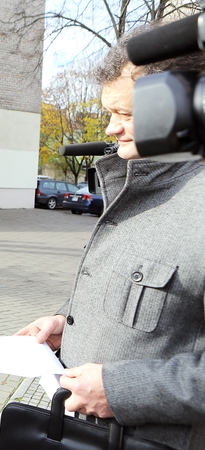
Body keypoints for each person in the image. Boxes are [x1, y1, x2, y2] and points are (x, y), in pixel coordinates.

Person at [15, 23, 205, 450]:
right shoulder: (132, 186)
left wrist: (119, 390)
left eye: (127, 114)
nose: (112, 129)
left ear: (186, 107)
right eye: (110, 113)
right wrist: (66, 322)